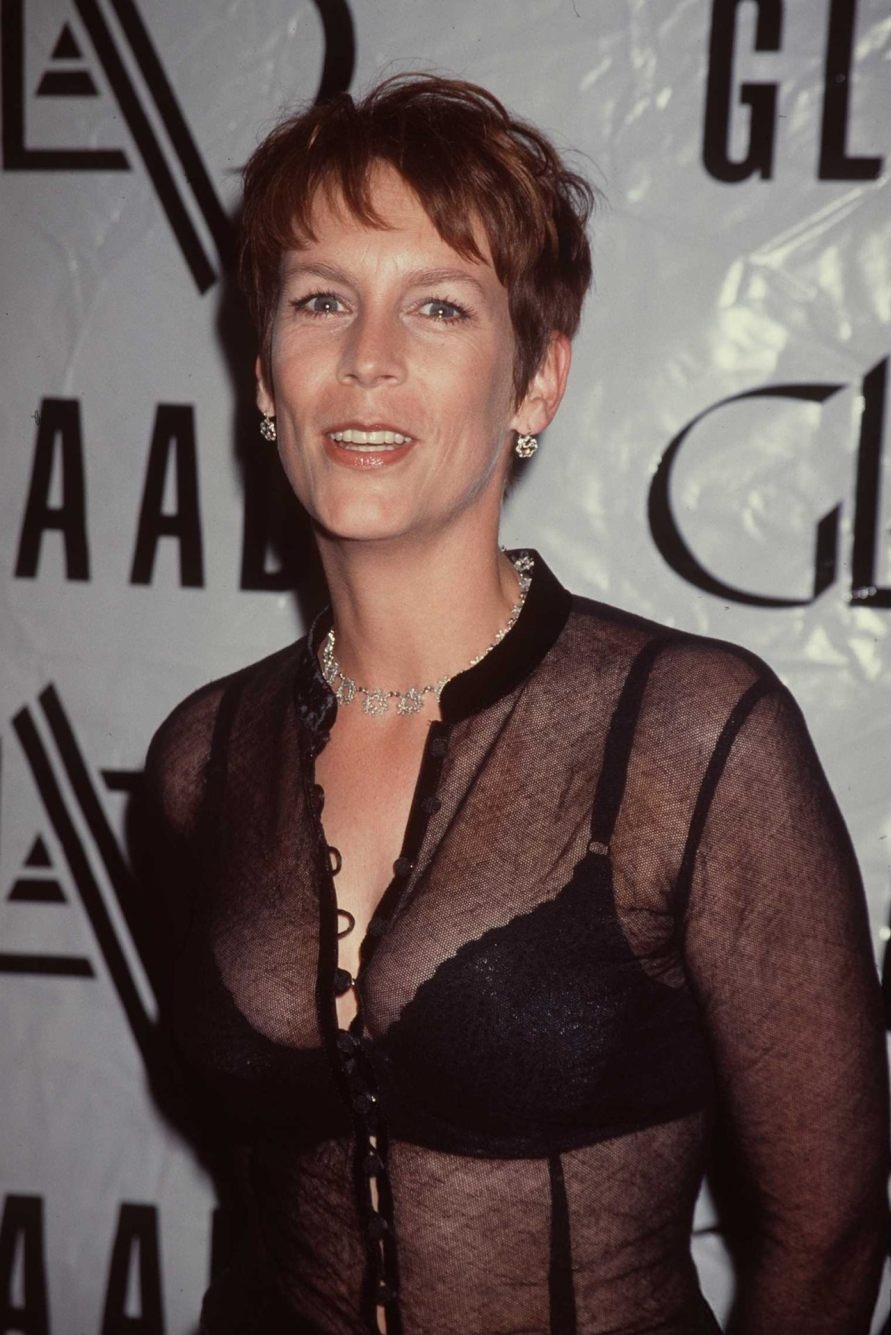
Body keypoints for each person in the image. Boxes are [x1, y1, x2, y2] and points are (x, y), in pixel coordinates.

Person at [144, 74, 889, 1335]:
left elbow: (829, 1237)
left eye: (438, 306)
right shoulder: (201, 760)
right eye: (322, 300)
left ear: (536, 383)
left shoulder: (692, 740)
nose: (367, 358)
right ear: (266, 378)